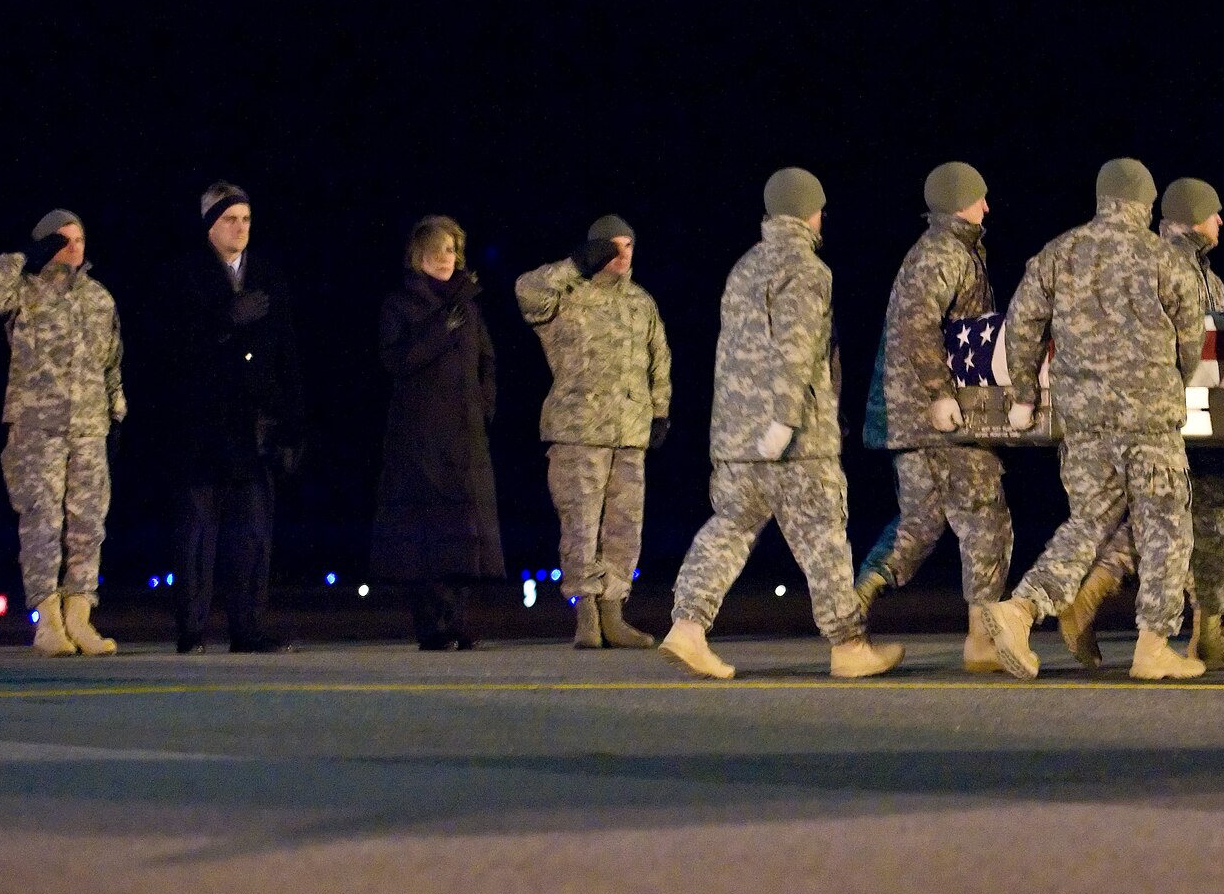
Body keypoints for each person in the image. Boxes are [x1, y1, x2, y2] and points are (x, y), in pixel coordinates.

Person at [662, 168, 904, 680]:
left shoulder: (744, 266)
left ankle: (686, 627)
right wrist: (787, 419)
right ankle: (848, 645)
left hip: (735, 439)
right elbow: (795, 350)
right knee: (822, 537)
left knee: (728, 528)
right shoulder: (808, 269)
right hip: (794, 442)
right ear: (811, 212)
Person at [978, 158, 1208, 681]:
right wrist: (1172, 378)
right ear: (1146, 203)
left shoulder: (1059, 253)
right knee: (1166, 529)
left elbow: (1022, 324)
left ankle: (1021, 609)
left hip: (1082, 419)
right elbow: (1190, 337)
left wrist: (1022, 391)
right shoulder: (1163, 257)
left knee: (1087, 524)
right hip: (1148, 418)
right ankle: (1153, 646)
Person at [1065, 176, 1224, 670]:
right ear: (1193, 217)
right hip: (1169, 413)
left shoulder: (1201, 272)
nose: (1220, 221)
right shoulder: (1168, 264)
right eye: (1213, 213)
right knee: (1192, 512)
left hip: (1168, 411)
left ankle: (1097, 597)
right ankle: (1198, 630)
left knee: (1185, 512)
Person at [852, 162, 1014, 673]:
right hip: (938, 418)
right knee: (985, 518)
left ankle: (851, 611)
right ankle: (981, 642)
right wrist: (942, 396)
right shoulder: (943, 254)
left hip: (914, 417)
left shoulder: (950, 252)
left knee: (920, 524)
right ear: (960, 200)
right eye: (980, 198)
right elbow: (914, 326)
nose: (987, 207)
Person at [0, 210, 126, 657]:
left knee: (89, 523)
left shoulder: (99, 298)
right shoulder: (25, 291)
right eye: (61, 240)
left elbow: (111, 362)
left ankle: (80, 617)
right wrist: (25, 257)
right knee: (43, 523)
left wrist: (116, 412)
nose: (73, 247)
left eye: (78, 239)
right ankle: (48, 622)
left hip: (89, 428)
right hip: (38, 429)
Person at [153, 181, 304, 654]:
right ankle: (192, 628)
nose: (240, 229)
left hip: (255, 426)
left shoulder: (268, 275)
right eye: (229, 220)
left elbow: (287, 353)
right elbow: (170, 352)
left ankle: (248, 628)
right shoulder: (183, 276)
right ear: (209, 225)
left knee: (254, 535)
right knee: (197, 534)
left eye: (245, 219)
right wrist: (223, 320)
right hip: (202, 428)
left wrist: (292, 426)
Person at [516, 214, 670, 649]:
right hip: (578, 429)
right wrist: (576, 264)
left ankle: (613, 612)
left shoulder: (641, 303)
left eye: (629, 246)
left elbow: (660, 359)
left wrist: (660, 412)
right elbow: (525, 291)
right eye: (612, 247)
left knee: (625, 527)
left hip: (630, 432)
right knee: (580, 525)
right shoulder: (566, 295)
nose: (622, 255)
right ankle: (585, 612)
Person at [373, 215, 504, 650]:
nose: (449, 258)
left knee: (464, 533)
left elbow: (486, 361)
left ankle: (456, 619)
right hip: (421, 439)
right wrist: (441, 323)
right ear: (420, 255)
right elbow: (397, 360)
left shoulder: (467, 306)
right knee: (427, 533)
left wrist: (483, 407)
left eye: (453, 250)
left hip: (465, 438)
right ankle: (431, 625)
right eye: (440, 250)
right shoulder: (400, 304)